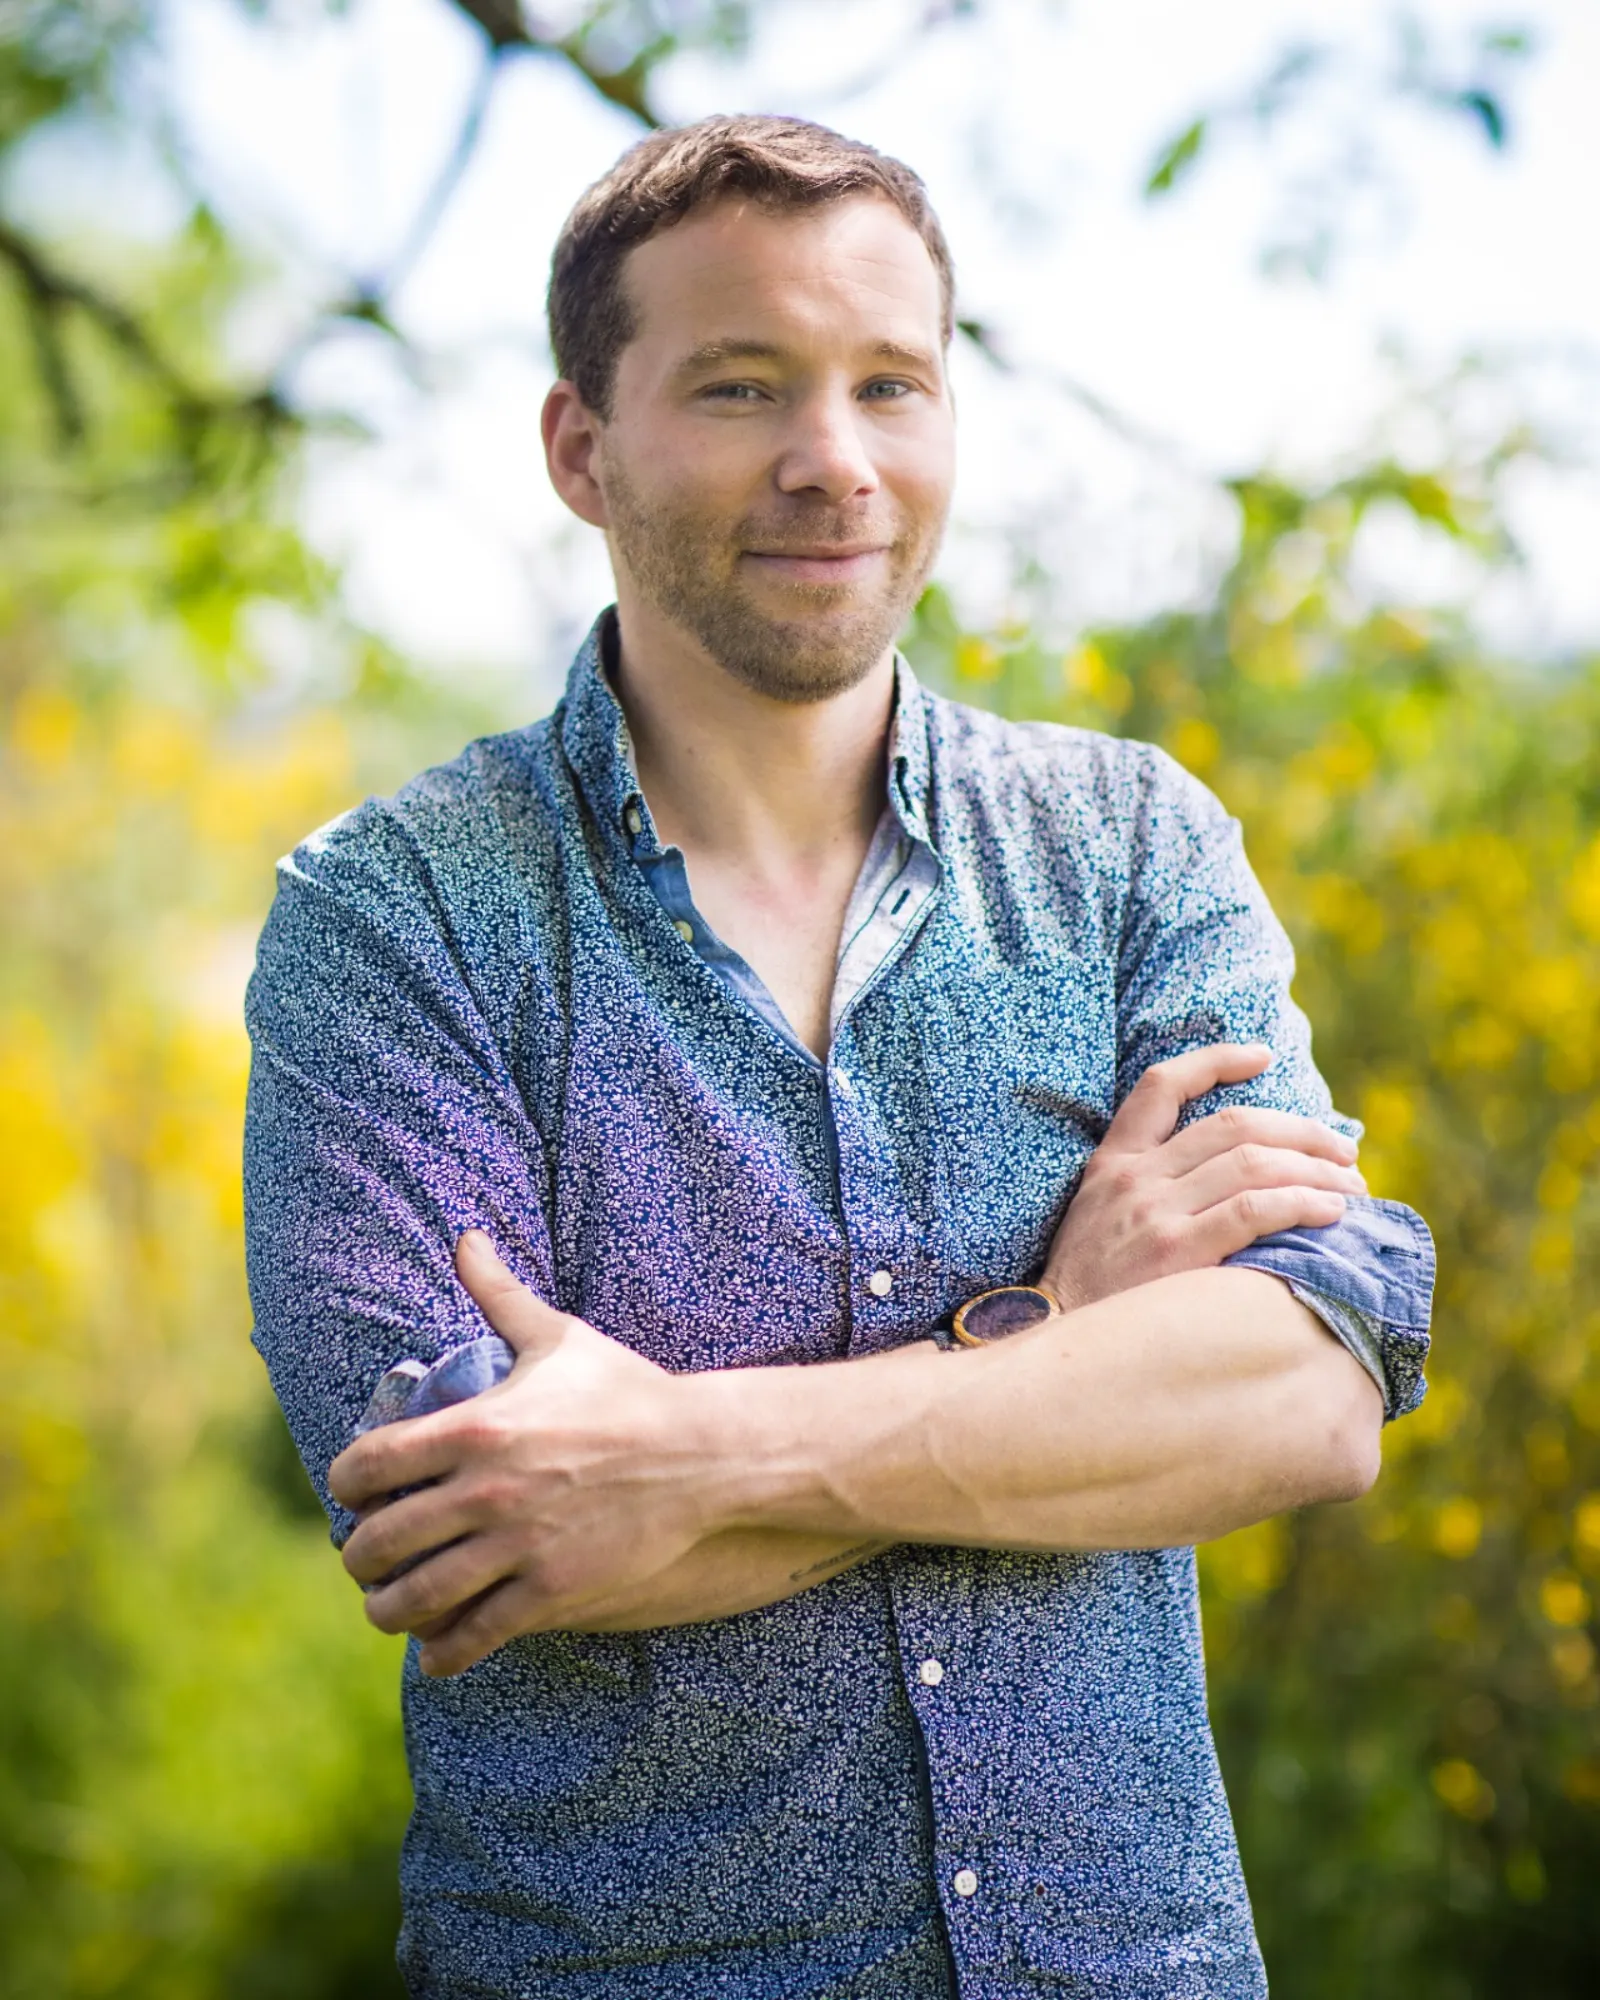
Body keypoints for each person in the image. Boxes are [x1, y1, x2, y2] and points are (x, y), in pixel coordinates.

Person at [244, 114, 1434, 2000]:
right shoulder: (399, 919)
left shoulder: (1132, 847)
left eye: (894, 385)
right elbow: (468, 1528)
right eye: (740, 387)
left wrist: (681, 1456)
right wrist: (1049, 1343)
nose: (835, 463)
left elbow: (1308, 1398)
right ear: (583, 447)